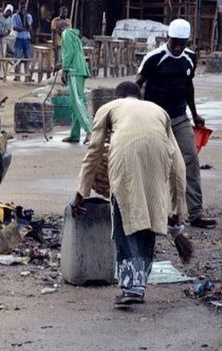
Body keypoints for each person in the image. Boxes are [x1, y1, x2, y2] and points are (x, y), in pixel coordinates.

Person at [72, 81, 186, 307]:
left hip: (124, 153)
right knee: (150, 216)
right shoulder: (158, 111)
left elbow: (94, 152)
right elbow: (178, 165)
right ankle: (139, 284)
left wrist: (81, 193)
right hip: (158, 154)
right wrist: (176, 209)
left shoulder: (110, 107)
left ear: (118, 96)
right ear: (139, 96)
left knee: (125, 216)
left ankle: (130, 288)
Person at [136, 19, 217, 229]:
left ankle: (196, 213)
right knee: (153, 163)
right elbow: (136, 85)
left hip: (180, 117)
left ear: (187, 41)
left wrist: (195, 114)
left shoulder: (190, 58)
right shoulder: (154, 58)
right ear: (168, 38)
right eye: (175, 43)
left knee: (189, 159)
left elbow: (188, 86)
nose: (178, 47)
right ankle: (148, 213)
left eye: (182, 43)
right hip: (154, 118)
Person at [61, 28, 91, 144]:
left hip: (74, 70)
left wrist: (64, 69)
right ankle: (75, 134)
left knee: (77, 102)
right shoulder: (74, 35)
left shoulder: (65, 34)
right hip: (79, 69)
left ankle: (90, 130)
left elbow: (69, 52)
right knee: (75, 102)